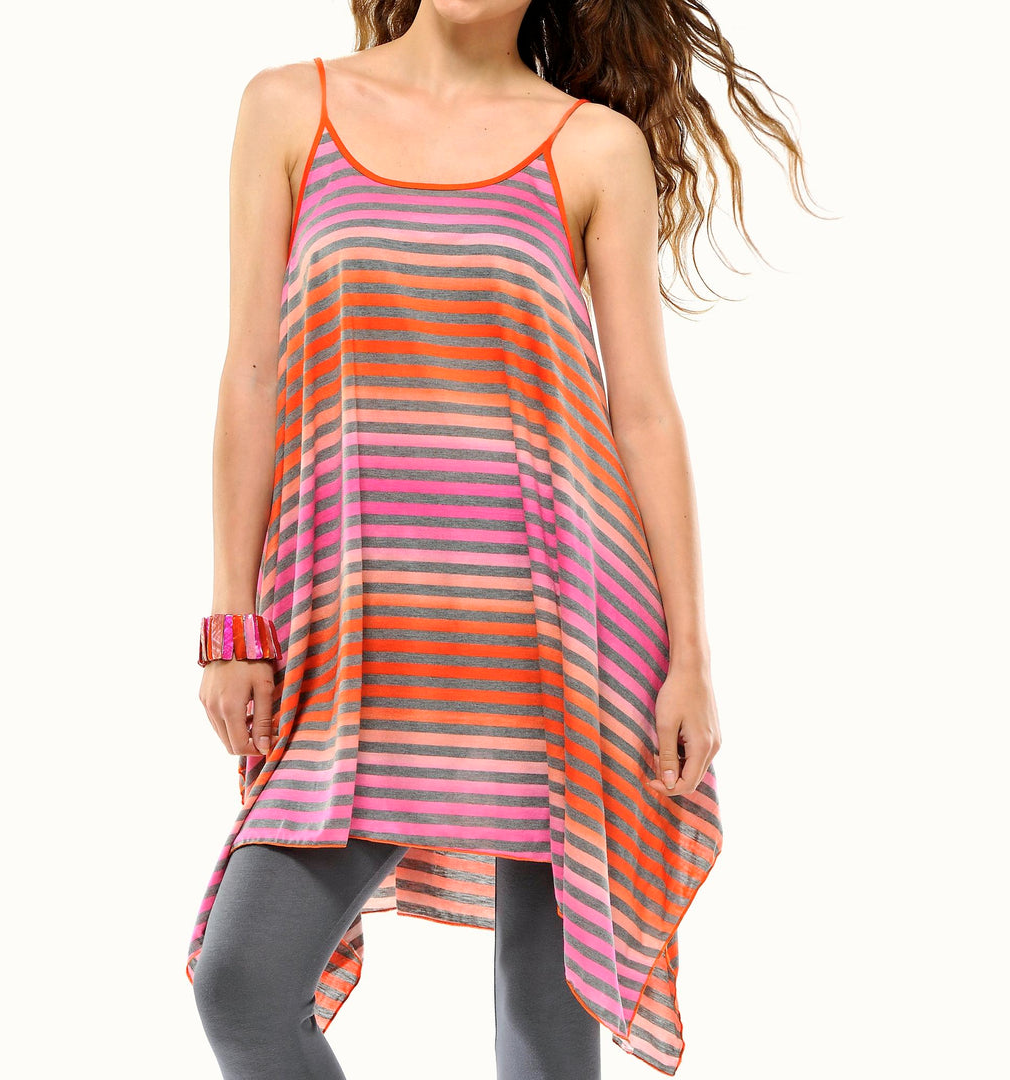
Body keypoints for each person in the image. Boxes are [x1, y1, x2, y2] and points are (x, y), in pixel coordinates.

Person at [186, 2, 818, 1077]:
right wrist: (231, 621)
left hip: (562, 626)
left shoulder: (594, 147)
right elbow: (251, 372)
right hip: (355, 633)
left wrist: (691, 658)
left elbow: (643, 413)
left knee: (544, 1026)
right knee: (242, 981)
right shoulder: (290, 107)